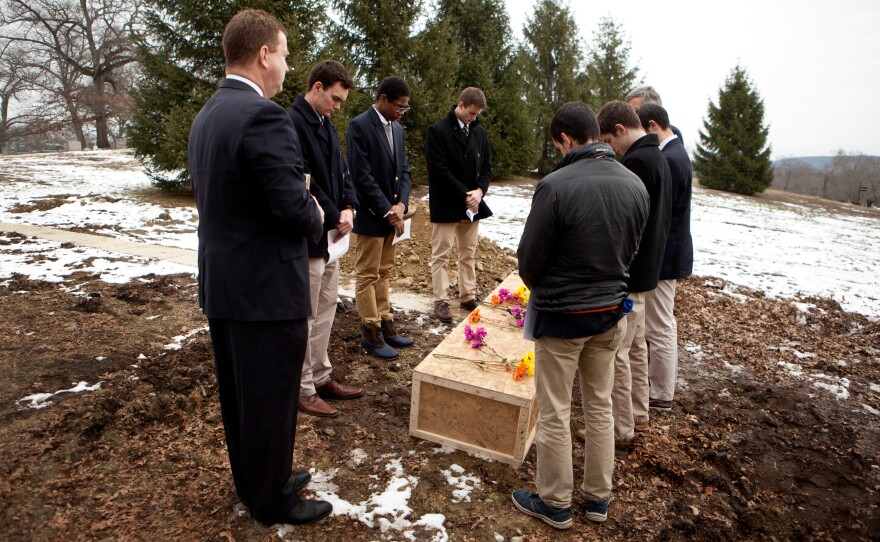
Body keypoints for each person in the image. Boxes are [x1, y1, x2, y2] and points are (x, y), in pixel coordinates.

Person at [188, 10, 330, 525]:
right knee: (268, 397)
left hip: (226, 285)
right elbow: (292, 206)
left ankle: (258, 480)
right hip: (266, 290)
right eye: (285, 55)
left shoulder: (209, 114)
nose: (288, 67)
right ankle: (272, 502)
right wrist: (315, 211)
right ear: (264, 54)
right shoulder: (263, 115)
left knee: (242, 397)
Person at [512, 102, 649, 528]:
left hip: (564, 316)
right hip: (610, 313)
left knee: (555, 410)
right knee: (600, 406)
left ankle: (555, 502)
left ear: (566, 140)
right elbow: (632, 252)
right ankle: (597, 498)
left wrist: (547, 288)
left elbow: (530, 259)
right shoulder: (635, 186)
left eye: (557, 144)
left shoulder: (555, 185)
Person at [288, 60, 363, 418]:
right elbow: (306, 182)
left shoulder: (327, 124)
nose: (337, 106)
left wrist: (349, 205)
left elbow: (342, 171)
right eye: (334, 98)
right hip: (310, 237)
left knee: (327, 310)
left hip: (333, 238)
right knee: (306, 314)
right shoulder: (293, 124)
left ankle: (320, 375)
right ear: (317, 87)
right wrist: (335, 214)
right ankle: (302, 388)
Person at [596, 100, 672, 448]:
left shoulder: (639, 162)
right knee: (638, 347)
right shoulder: (658, 155)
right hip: (646, 274)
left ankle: (620, 429)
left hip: (630, 275)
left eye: (611, 142)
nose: (612, 150)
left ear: (621, 131)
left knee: (618, 354)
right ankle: (639, 414)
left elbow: (629, 224)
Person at [347, 76, 414, 360]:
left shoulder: (396, 129)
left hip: (392, 217)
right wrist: (388, 211)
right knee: (367, 274)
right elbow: (362, 177)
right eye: (399, 106)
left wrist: (401, 204)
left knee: (384, 271)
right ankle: (370, 331)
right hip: (373, 217)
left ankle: (386, 323)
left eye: (404, 109)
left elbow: (405, 170)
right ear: (383, 99)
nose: (401, 112)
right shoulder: (359, 126)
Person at [636, 103, 693, 411]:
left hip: (666, 254)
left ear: (653, 126)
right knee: (659, 324)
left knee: (659, 326)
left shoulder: (670, 159)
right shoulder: (676, 153)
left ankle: (660, 392)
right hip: (669, 252)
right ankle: (658, 386)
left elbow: (662, 215)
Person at [425, 87, 493, 323]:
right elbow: (438, 170)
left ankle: (467, 295)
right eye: (472, 113)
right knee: (441, 254)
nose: (474, 118)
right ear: (461, 105)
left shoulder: (479, 133)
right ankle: (441, 300)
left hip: (472, 205)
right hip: (447, 204)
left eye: (477, 114)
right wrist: (465, 194)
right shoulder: (437, 131)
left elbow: (486, 168)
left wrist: (480, 192)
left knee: (468, 253)